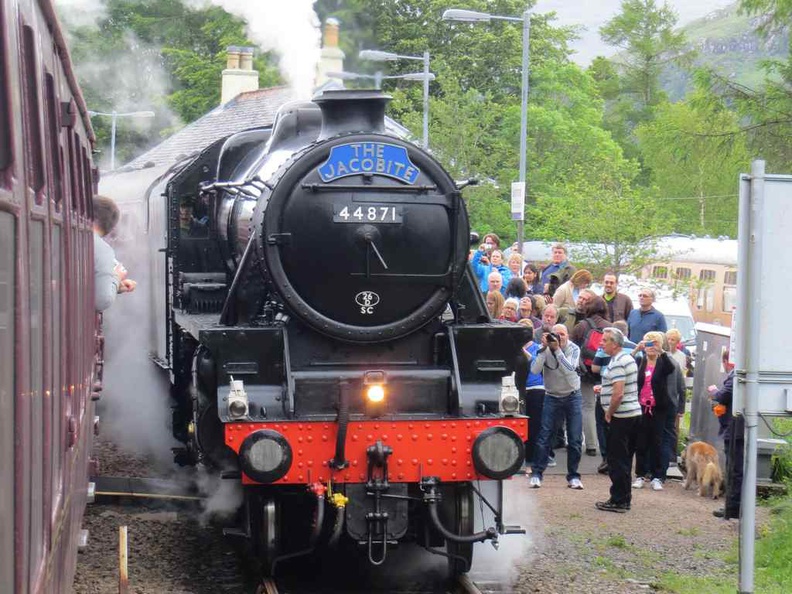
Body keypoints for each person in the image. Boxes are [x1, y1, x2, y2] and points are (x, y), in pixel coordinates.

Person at [527, 324, 584, 490]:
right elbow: (535, 370)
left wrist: (557, 350)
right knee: (544, 436)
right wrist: (544, 349)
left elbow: (570, 369)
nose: (559, 337)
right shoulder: (545, 349)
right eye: (556, 334)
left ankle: (573, 476)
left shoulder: (574, 348)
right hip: (551, 396)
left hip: (572, 395)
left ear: (568, 335)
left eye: (562, 334)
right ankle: (537, 474)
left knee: (574, 439)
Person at [595, 327, 641, 513]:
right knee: (625, 458)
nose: (601, 343)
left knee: (617, 459)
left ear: (614, 344)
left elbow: (618, 392)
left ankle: (619, 500)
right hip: (632, 414)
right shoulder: (626, 358)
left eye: (605, 340)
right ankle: (623, 497)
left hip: (622, 416)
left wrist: (608, 412)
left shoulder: (618, 362)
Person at [631, 331, 676, 491]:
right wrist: (637, 348)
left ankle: (657, 476)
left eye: (653, 343)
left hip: (658, 409)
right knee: (640, 442)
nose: (650, 347)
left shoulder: (663, 363)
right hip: (641, 407)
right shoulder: (640, 361)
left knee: (657, 442)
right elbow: (626, 362)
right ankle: (640, 475)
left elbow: (671, 368)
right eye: (648, 343)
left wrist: (661, 351)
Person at [572, 296, 610, 458]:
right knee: (606, 407)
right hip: (606, 372)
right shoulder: (612, 328)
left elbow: (573, 348)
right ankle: (607, 444)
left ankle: (591, 444)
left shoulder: (581, 326)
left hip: (586, 372)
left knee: (587, 406)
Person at [708, 351, 741, 520]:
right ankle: (733, 505)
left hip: (735, 428)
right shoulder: (739, 373)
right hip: (735, 426)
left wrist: (714, 391)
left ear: (727, 361)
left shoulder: (735, 374)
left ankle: (733, 507)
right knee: (735, 468)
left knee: (734, 468)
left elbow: (725, 394)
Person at [93, 195, 136, 311]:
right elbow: (102, 300)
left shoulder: (79, 237)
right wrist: (116, 277)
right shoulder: (102, 249)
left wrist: (114, 285)